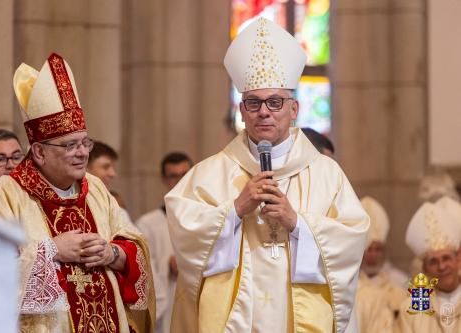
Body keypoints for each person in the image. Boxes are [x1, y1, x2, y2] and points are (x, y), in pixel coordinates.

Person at [165, 18, 369, 333]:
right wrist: (234, 211)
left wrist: (298, 224)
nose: (264, 111)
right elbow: (186, 238)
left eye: (275, 102)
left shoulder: (327, 174)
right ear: (242, 111)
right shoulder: (210, 173)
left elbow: (352, 240)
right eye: (253, 102)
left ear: (294, 108)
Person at [0, 53, 154, 333]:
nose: (82, 152)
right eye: (70, 145)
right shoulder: (6, 196)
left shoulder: (95, 188)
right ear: (39, 151)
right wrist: (51, 251)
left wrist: (113, 254)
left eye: (85, 142)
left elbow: (134, 245)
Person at [137, 152, 193, 333]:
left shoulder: (209, 216)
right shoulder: (148, 224)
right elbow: (142, 267)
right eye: (173, 176)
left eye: (184, 174)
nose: (179, 181)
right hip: (168, 300)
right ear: (163, 179)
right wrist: (165, 265)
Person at [396, 196, 461, 332]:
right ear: (424, 269)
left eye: (446, 258)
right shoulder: (412, 307)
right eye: (433, 262)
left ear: (458, 259)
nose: (442, 267)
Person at [358, 196, 408, 318]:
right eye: (368, 249)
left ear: (384, 252)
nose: (373, 255)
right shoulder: (349, 284)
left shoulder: (401, 282)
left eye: (378, 249)